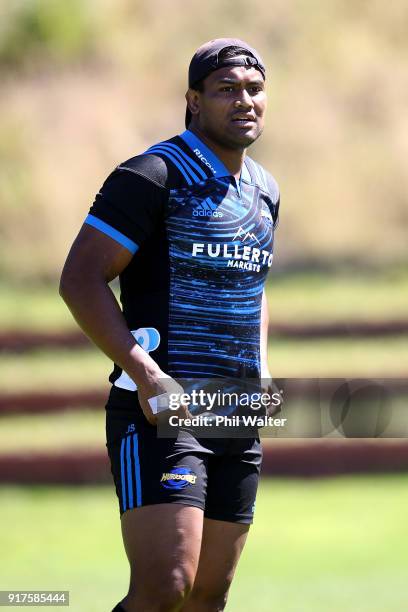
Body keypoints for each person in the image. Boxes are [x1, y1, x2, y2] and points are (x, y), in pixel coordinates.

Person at [60, 37, 280, 612]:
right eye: (226, 90)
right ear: (193, 99)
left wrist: (261, 378)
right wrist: (147, 374)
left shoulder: (265, 190)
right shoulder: (151, 174)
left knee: (209, 596)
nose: (244, 101)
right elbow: (80, 279)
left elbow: (251, 292)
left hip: (232, 412)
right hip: (159, 410)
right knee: (167, 587)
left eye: (255, 90)